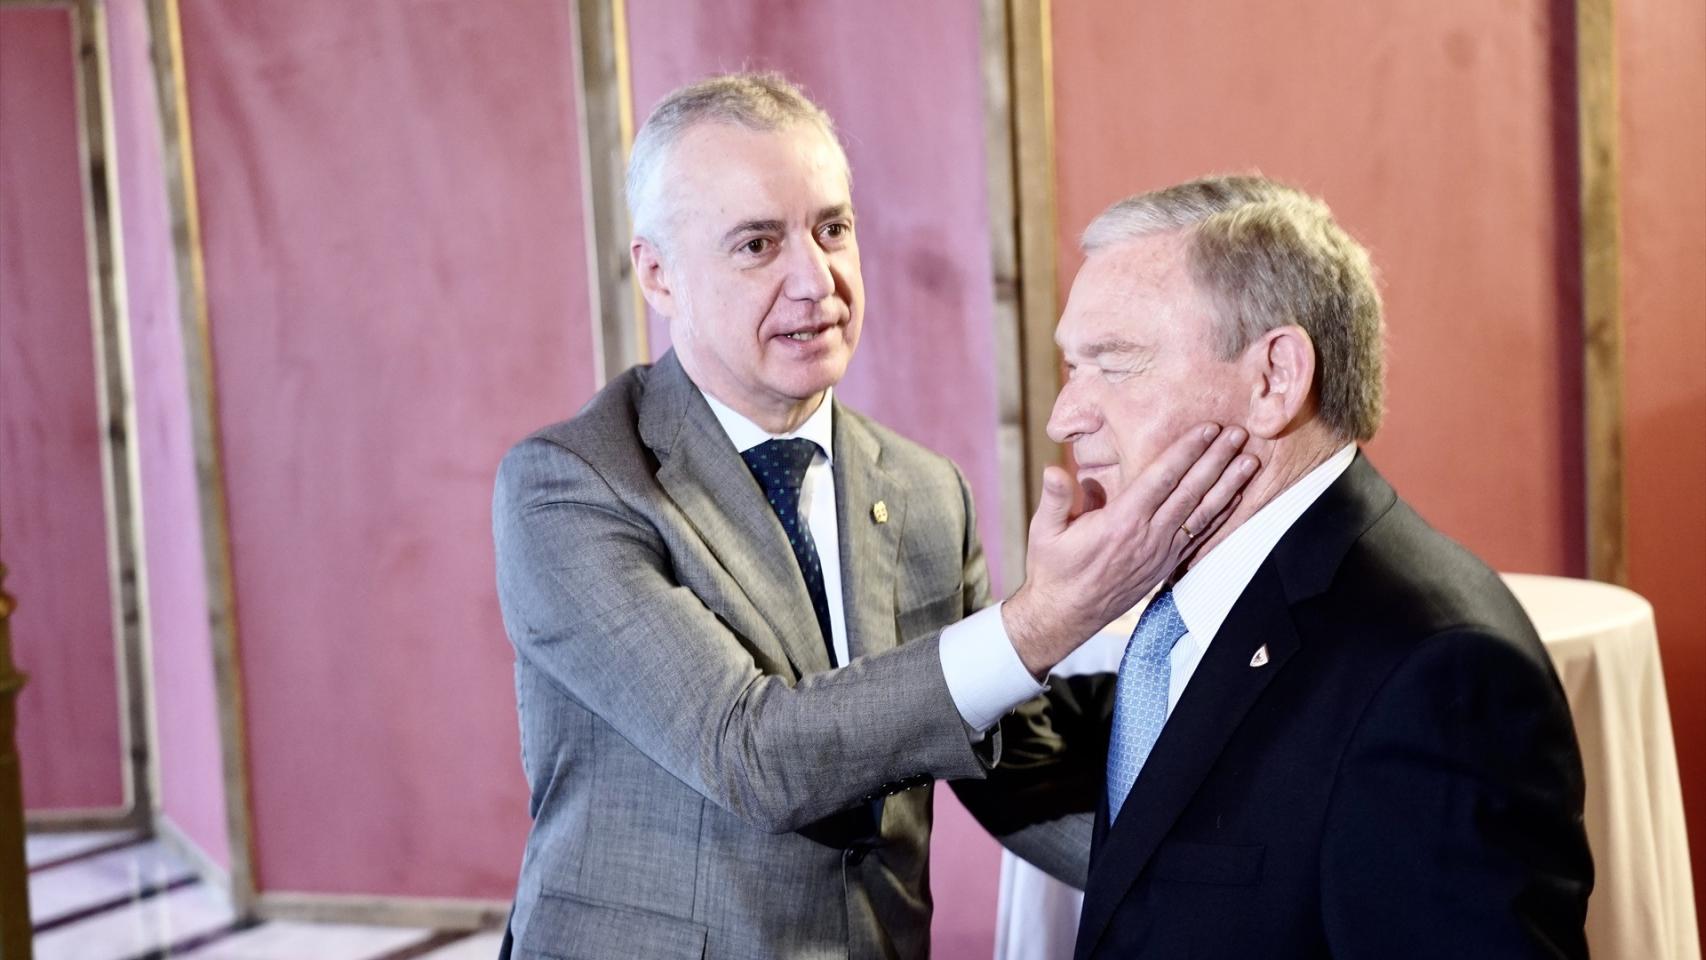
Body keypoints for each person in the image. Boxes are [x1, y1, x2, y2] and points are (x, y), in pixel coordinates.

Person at [490, 73, 1254, 960]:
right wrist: (1048, 619)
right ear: (657, 274)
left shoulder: (929, 492)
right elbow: (754, 755)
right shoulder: (572, 483)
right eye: (757, 244)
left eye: (832, 229)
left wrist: (1254, 886)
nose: (816, 280)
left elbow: (1013, 769)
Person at [959, 174, 1594, 958]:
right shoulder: (1186, 610)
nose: (1065, 415)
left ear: (1273, 380)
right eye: (1071, 367)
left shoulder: (1440, 677)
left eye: (1114, 364)